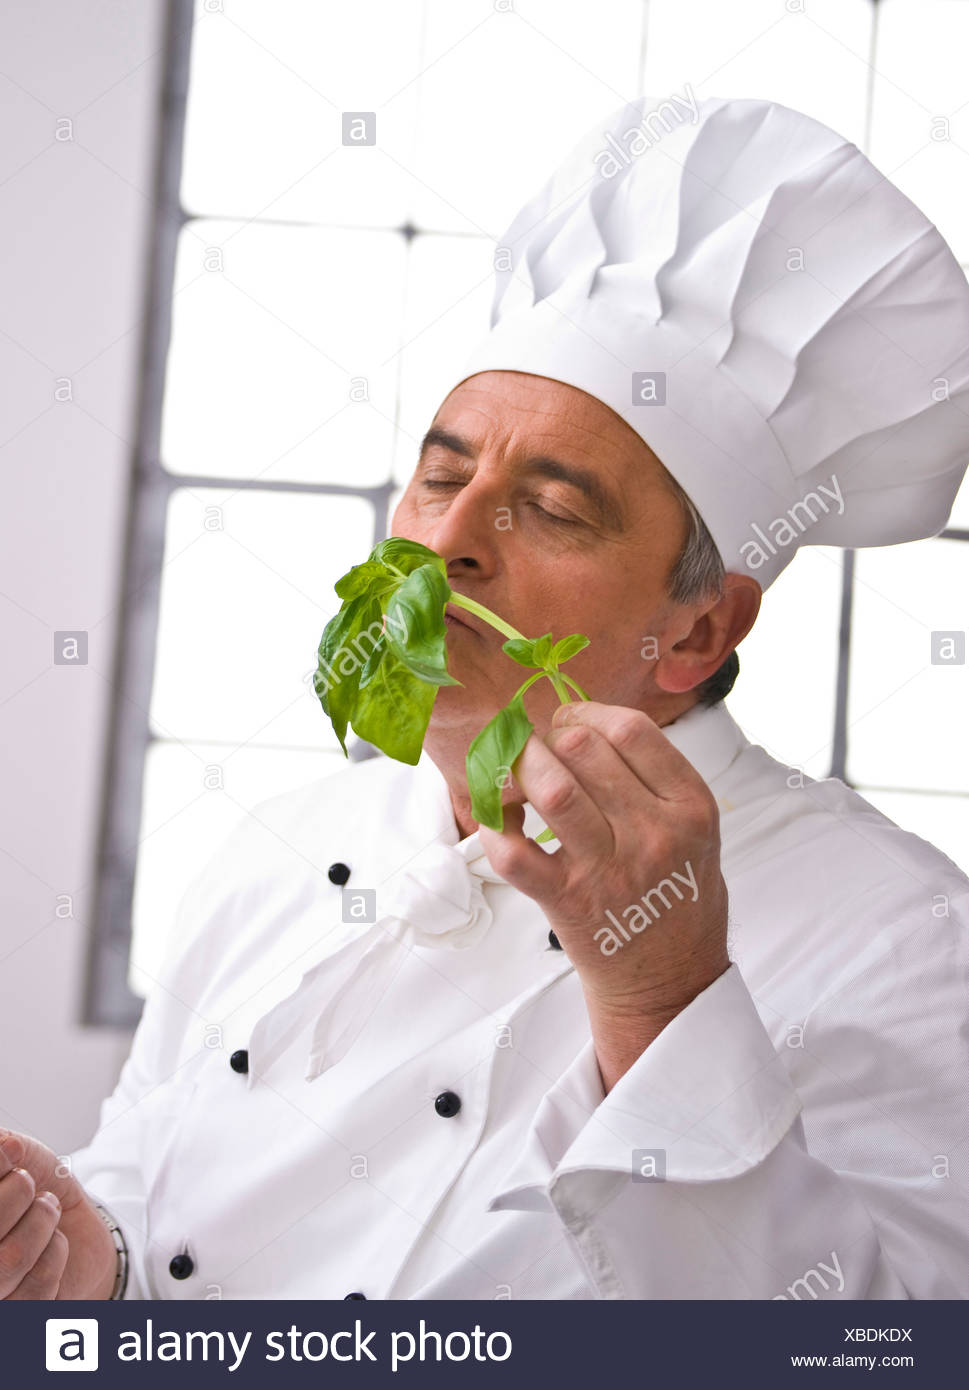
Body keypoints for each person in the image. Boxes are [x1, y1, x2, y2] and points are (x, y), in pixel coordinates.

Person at [3, 93, 968, 1300]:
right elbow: (148, 1192)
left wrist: (666, 1004)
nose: (449, 540)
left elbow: (877, 1346)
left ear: (698, 627)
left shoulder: (901, 932)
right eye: (440, 477)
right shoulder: (282, 848)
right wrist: (84, 1260)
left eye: (554, 509)